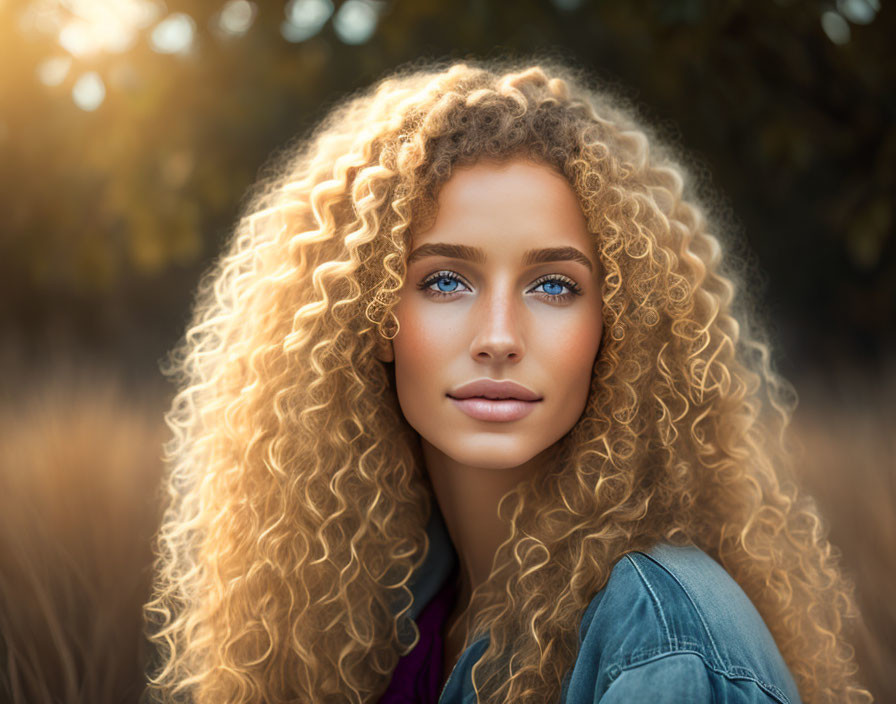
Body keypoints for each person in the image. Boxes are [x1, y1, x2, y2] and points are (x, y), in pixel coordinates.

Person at [143, 59, 871, 703]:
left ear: (618, 328)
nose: (498, 338)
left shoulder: (661, 635)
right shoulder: (376, 609)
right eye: (446, 280)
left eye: (553, 286)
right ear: (368, 316)